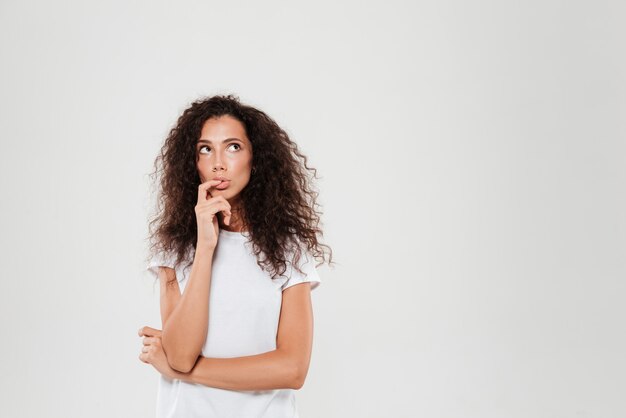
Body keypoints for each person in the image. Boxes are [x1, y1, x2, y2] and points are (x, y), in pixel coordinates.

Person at [138, 94, 333, 418]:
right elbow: (182, 353)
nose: (218, 162)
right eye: (205, 149)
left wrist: (181, 372)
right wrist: (206, 246)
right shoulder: (174, 249)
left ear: (255, 158)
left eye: (233, 147)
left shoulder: (289, 249)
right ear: (193, 162)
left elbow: (292, 369)